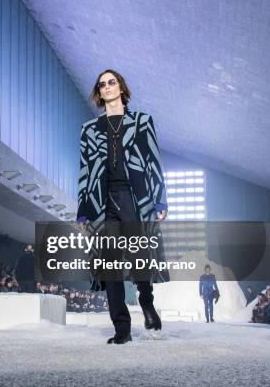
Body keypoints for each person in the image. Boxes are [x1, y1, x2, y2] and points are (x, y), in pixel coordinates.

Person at [76, 70, 169, 344]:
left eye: (111, 82)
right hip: (103, 200)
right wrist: (83, 208)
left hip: (135, 198)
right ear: (98, 92)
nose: (106, 87)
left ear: (121, 88)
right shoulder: (89, 129)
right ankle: (122, 329)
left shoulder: (142, 122)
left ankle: (146, 300)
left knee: (140, 254)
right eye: (101, 84)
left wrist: (160, 198)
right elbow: (85, 169)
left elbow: (154, 161)